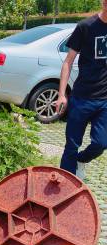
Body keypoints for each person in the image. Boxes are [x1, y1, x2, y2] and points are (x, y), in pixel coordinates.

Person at [56, 0, 107, 180]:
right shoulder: (85, 26)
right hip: (82, 97)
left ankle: (81, 160)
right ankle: (64, 187)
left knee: (101, 143)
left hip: (104, 101)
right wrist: (62, 94)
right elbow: (68, 62)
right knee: (71, 145)